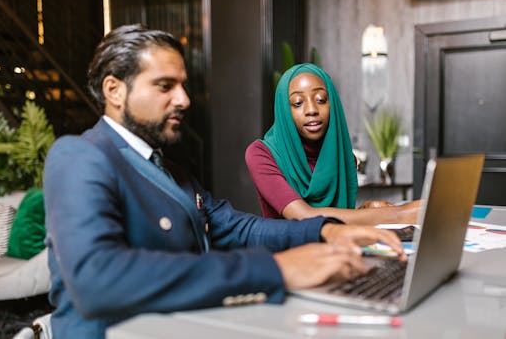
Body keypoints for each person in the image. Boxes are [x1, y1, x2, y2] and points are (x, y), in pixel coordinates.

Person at [43, 25, 405, 339]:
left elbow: (239, 229)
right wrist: (278, 269)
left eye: (183, 86)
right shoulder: (79, 157)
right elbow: (97, 280)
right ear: (114, 90)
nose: (184, 100)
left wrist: (326, 231)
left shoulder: (172, 170)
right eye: (165, 86)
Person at [245, 63, 420, 224]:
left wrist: (364, 209)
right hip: (289, 256)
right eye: (298, 103)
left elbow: (336, 224)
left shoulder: (344, 158)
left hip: (339, 253)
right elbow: (304, 218)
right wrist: (402, 214)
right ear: (284, 110)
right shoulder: (261, 154)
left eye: (321, 100)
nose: (312, 110)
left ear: (333, 104)